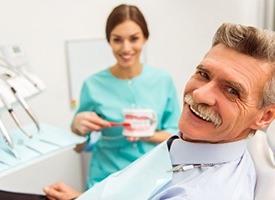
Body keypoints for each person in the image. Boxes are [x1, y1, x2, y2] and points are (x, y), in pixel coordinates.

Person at [43, 23, 275, 200]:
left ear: (264, 117)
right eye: (203, 74)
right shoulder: (195, 142)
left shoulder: (195, 192)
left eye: (232, 90)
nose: (200, 95)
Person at [70, 4, 180, 189]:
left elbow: (177, 135)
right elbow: (79, 147)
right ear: (109, 41)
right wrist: (76, 129)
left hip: (154, 178)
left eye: (134, 38)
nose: (126, 48)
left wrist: (146, 134)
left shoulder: (163, 80)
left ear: (145, 37)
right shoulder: (92, 84)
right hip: (106, 181)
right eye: (117, 40)